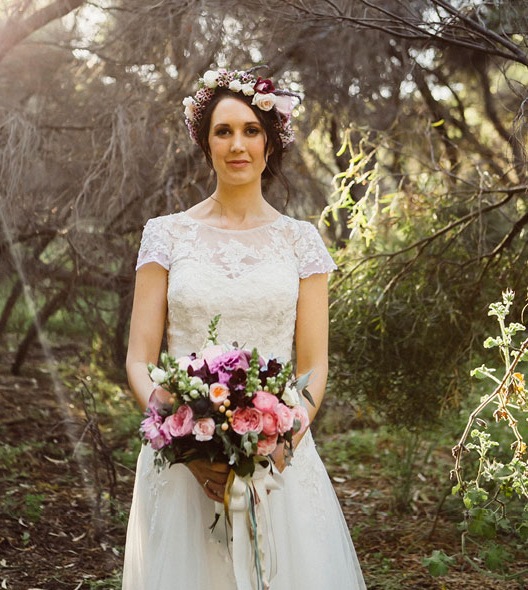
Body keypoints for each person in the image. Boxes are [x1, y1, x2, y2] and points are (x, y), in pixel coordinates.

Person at [123, 67, 365, 589]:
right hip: (184, 464)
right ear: (205, 142)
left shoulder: (302, 243)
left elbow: (314, 365)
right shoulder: (165, 237)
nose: (238, 145)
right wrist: (179, 441)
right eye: (223, 131)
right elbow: (139, 360)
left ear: (271, 140)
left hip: (277, 463)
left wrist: (284, 441)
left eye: (251, 130)